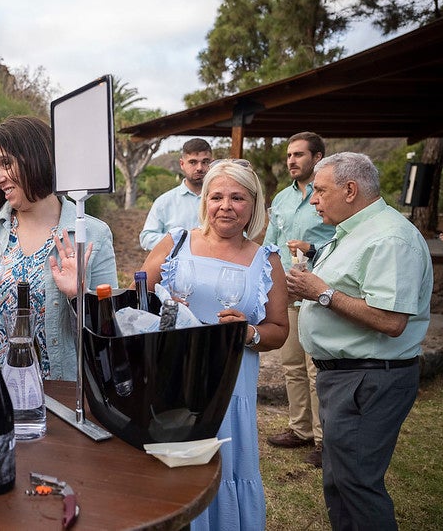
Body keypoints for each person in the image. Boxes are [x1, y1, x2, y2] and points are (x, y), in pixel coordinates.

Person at [137, 159, 289, 530]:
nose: (225, 206)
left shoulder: (267, 260)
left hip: (230, 384)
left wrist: (248, 333)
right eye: (216, 196)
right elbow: (137, 298)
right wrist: (166, 310)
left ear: (253, 204)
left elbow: (279, 329)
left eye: (237, 197)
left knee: (224, 468)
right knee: (172, 471)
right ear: (204, 201)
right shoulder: (176, 243)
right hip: (173, 376)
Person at [286, 152, 432, 530]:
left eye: (320, 191)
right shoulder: (355, 231)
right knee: (341, 481)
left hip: (369, 380)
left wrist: (321, 293)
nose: (313, 200)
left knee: (357, 484)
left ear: (350, 190)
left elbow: (391, 320)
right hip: (349, 377)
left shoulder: (390, 238)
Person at [0, 116, 118, 385]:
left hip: (56, 393)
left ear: (38, 158)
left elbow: (108, 329)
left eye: (6, 163)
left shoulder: (92, 234)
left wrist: (78, 297)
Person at [263, 132, 336, 468]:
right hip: (288, 292)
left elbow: (343, 240)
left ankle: (324, 441)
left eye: (299, 155)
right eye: (289, 155)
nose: (291, 160)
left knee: (316, 368)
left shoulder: (331, 196)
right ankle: (300, 429)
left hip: (320, 292)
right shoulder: (281, 198)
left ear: (317, 157)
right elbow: (271, 244)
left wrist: (312, 249)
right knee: (291, 364)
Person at [138, 138, 212, 251]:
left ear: (212, 163)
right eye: (193, 162)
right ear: (182, 164)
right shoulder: (164, 202)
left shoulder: (225, 201)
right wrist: (181, 241)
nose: (199, 168)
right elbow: (147, 238)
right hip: (175, 262)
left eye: (205, 162)